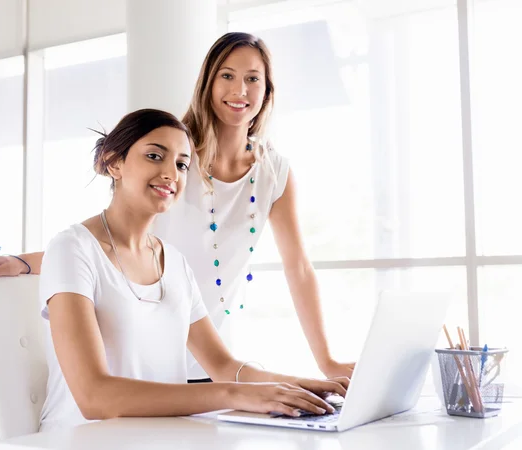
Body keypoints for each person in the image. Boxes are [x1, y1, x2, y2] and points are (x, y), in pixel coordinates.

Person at [0, 32, 355, 382]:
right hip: (141, 357)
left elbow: (298, 268)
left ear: (267, 90)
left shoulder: (273, 172)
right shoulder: (173, 158)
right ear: (207, 83)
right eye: (227, 75)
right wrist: (24, 262)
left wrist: (327, 362)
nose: (240, 89)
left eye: (253, 78)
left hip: (214, 361)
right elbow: (110, 247)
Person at [33, 108, 348, 431]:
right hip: (79, 441)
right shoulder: (72, 249)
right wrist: (234, 395)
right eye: (155, 156)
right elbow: (93, 396)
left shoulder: (174, 262)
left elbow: (223, 366)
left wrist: (298, 385)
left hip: (160, 439)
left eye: (182, 164)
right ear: (115, 163)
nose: (171, 173)